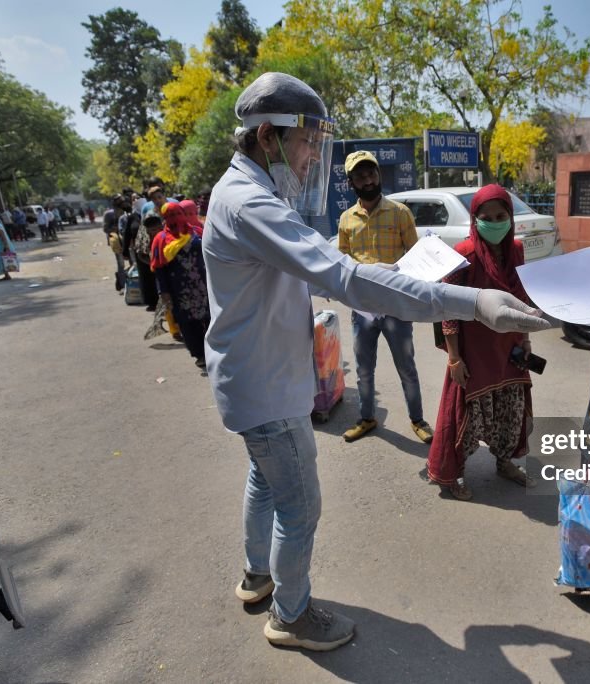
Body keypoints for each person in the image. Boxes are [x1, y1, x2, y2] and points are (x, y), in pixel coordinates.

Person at [203, 72, 548, 652]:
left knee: (265, 480)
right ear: (268, 136)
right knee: (299, 503)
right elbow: (347, 276)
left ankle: (258, 574)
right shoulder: (250, 202)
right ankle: (290, 614)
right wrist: (473, 302)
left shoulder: (247, 193)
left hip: (256, 377)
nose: (315, 157)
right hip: (267, 385)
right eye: (309, 142)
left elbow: (332, 275)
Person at [425, 184, 536, 500]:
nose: (494, 222)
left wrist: (526, 340)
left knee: (511, 412)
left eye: (501, 215)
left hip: (510, 348)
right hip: (473, 352)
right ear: (475, 219)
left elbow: (522, 298)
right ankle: (452, 475)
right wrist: (454, 358)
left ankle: (504, 463)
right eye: (486, 217)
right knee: (466, 419)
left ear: (510, 216)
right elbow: (448, 308)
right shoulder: (463, 253)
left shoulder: (516, 250)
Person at [336, 151, 433, 444]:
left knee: (407, 367)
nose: (368, 180)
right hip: (363, 309)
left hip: (395, 306)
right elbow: (342, 260)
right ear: (351, 182)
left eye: (372, 174)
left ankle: (418, 420)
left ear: (379, 176)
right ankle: (367, 418)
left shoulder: (400, 212)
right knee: (364, 369)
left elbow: (417, 257)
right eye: (361, 176)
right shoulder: (346, 219)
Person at [151, 203, 209, 367]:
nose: (174, 218)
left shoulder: (196, 232)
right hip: (179, 290)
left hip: (202, 286)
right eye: (170, 216)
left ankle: (214, 351)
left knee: (209, 319)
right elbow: (159, 269)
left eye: (177, 213)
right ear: (164, 218)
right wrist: (164, 292)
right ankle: (199, 354)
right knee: (188, 323)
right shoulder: (160, 240)